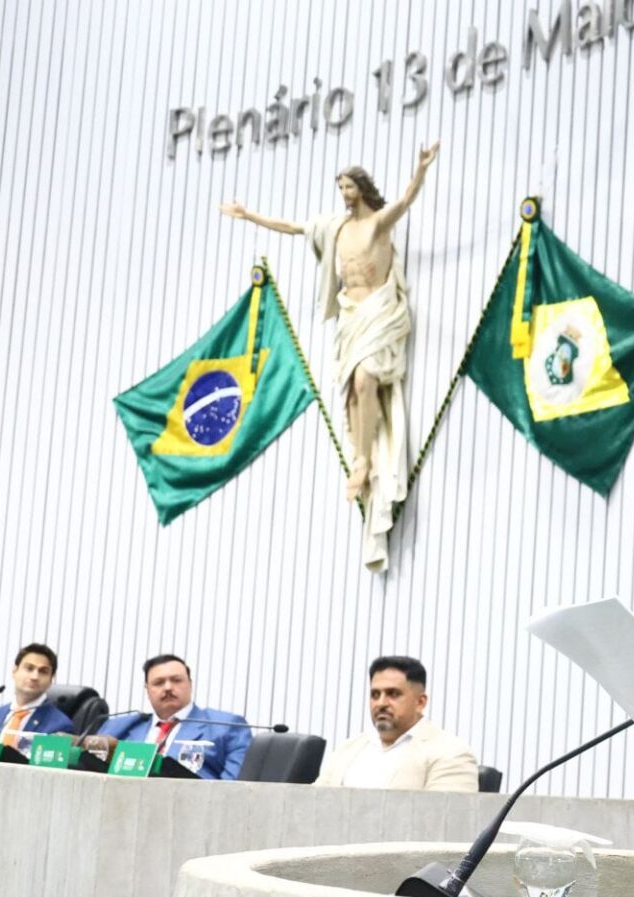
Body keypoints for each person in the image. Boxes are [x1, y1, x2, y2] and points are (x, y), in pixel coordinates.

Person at [219, 143, 440, 572]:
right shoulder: (335, 228)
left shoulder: (376, 224)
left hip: (377, 310)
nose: (343, 192)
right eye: (339, 185)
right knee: (354, 394)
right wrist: (250, 216)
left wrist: (421, 168)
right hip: (352, 315)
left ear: (361, 187)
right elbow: (292, 227)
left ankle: (362, 459)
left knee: (365, 382)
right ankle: (361, 456)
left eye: (348, 185)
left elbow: (406, 200)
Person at [315, 656, 478, 792]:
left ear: (420, 702)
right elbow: (310, 806)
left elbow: (445, 822)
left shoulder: (451, 753)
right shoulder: (347, 749)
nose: (381, 703)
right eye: (375, 694)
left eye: (393, 694)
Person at [97, 654, 251, 780]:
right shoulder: (121, 727)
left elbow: (233, 790)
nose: (168, 687)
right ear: (147, 690)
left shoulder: (227, 726)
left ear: (189, 684)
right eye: (158, 683)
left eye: (176, 680)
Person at [0, 642, 73, 746]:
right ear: (14, 671)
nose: (35, 677)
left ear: (51, 679)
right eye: (29, 668)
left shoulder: (59, 726)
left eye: (43, 671)